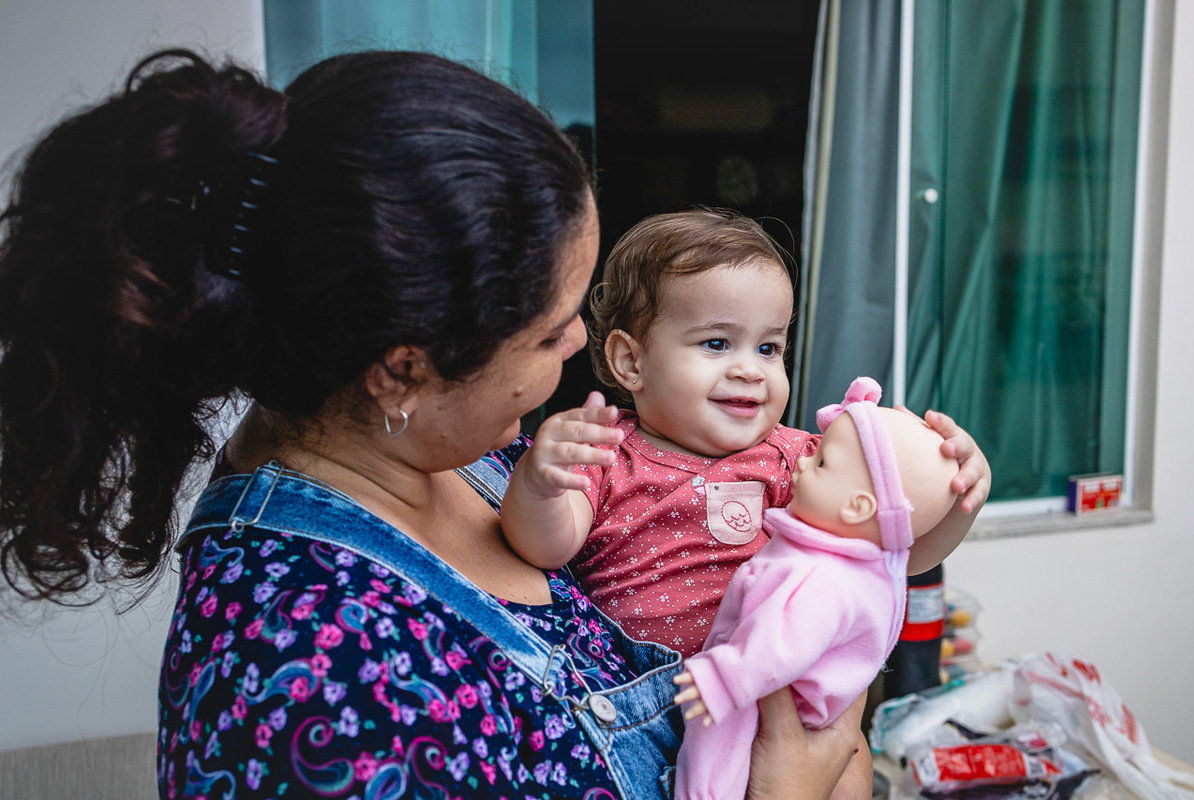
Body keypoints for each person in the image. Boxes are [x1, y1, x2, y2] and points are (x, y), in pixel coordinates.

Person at [0, 50, 867, 799]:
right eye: (547, 330)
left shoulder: (464, 456)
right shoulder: (307, 679)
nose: (578, 348)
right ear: (403, 368)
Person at [499, 210, 991, 794]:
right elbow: (545, 547)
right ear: (631, 362)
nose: (750, 371)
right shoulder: (608, 453)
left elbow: (899, 547)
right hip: (648, 712)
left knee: (848, 776)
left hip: (779, 700)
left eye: (769, 348)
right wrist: (539, 483)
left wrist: (956, 499)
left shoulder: (802, 457)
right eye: (716, 343)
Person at [671, 377, 961, 800]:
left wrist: (726, 676)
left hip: (760, 687)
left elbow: (783, 641)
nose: (804, 464)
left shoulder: (822, 578)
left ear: (858, 506)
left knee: (713, 747)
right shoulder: (871, 561)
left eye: (822, 463)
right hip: (809, 706)